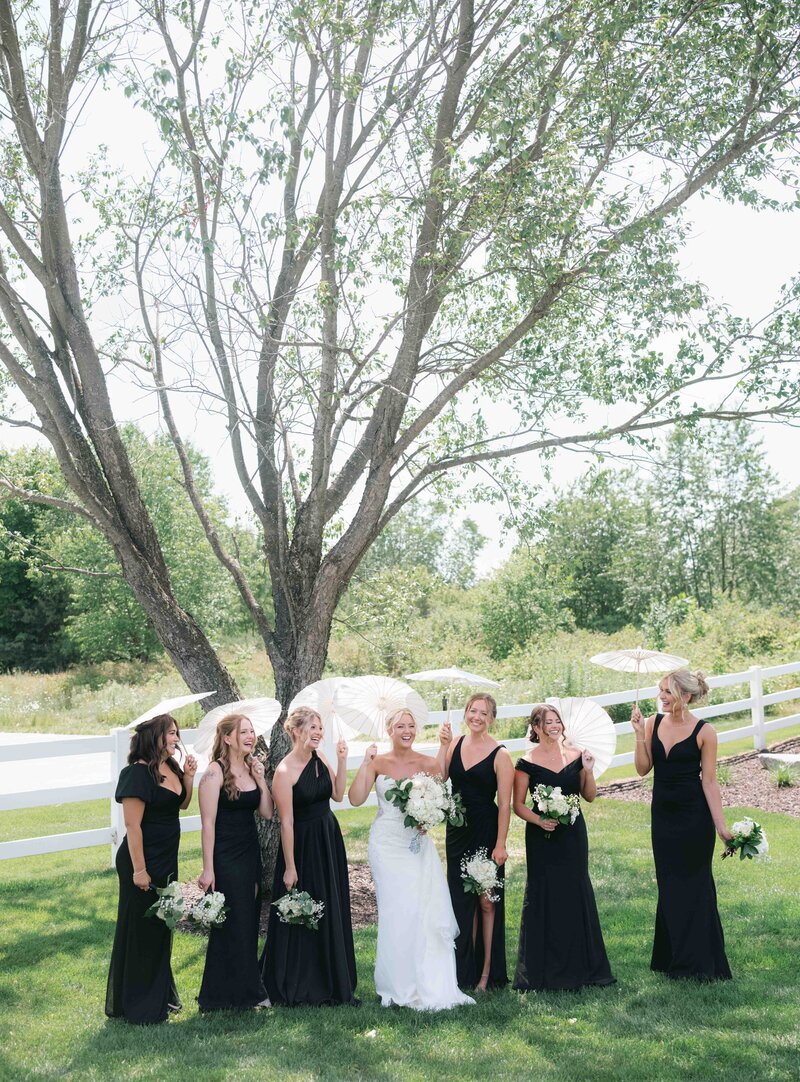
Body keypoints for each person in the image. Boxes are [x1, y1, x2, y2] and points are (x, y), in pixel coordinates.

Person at [349, 709, 475, 1011]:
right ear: (389, 730)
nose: (407, 730)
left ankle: (428, 980)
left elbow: (441, 798)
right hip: (385, 844)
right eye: (400, 726)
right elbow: (354, 798)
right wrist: (365, 764)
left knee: (421, 911)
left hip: (415, 845)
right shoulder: (378, 762)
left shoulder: (428, 763)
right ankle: (397, 984)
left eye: (411, 726)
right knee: (395, 911)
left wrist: (427, 818)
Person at [632, 668, 733, 981]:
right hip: (662, 817)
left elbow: (711, 782)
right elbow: (642, 769)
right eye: (660, 691)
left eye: (667, 692)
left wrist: (721, 827)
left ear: (686, 696)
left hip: (694, 818)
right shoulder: (653, 722)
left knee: (696, 886)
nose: (661, 697)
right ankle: (672, 957)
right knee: (670, 885)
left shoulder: (705, 732)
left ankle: (699, 963)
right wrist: (638, 733)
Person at [512, 703, 614, 992]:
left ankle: (583, 966)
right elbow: (517, 805)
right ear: (535, 727)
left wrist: (590, 770)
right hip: (542, 838)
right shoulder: (525, 762)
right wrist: (539, 820)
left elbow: (589, 796)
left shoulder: (577, 755)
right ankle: (545, 970)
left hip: (573, 835)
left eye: (557, 721)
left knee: (575, 890)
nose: (555, 726)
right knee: (545, 894)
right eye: (548, 722)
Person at [260, 707, 357, 1006]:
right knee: (303, 911)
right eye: (313, 727)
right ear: (296, 731)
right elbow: (285, 822)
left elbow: (338, 794)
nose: (318, 732)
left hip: (328, 839)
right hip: (302, 846)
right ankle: (301, 981)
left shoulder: (321, 758)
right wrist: (290, 867)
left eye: (320, 728)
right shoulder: (284, 771)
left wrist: (342, 760)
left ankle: (330, 977)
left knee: (329, 906)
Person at [105, 714, 197, 1024]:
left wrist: (188, 777)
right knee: (142, 929)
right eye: (170, 732)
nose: (176, 738)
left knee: (160, 928)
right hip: (140, 862)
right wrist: (139, 870)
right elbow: (132, 825)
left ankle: (157, 996)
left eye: (177, 733)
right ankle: (138, 1004)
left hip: (165, 859)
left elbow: (181, 805)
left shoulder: (169, 767)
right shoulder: (137, 773)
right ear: (154, 735)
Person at [197, 713, 273, 1011]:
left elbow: (266, 813)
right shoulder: (214, 772)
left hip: (249, 851)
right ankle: (233, 993)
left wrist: (261, 780)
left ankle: (239, 990)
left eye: (252, 731)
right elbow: (207, 823)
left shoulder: (251, 769)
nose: (250, 736)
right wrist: (207, 868)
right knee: (233, 920)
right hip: (225, 855)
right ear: (227, 737)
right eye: (244, 732)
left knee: (249, 919)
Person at [439, 694, 513, 990]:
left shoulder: (501, 755)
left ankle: (486, 974)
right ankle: (462, 972)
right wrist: (443, 745)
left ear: (492, 718)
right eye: (473, 711)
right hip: (457, 832)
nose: (477, 717)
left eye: (484, 713)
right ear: (465, 713)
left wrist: (501, 844)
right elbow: (440, 776)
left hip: (485, 830)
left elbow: (505, 806)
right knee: (461, 902)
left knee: (486, 902)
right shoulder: (455, 743)